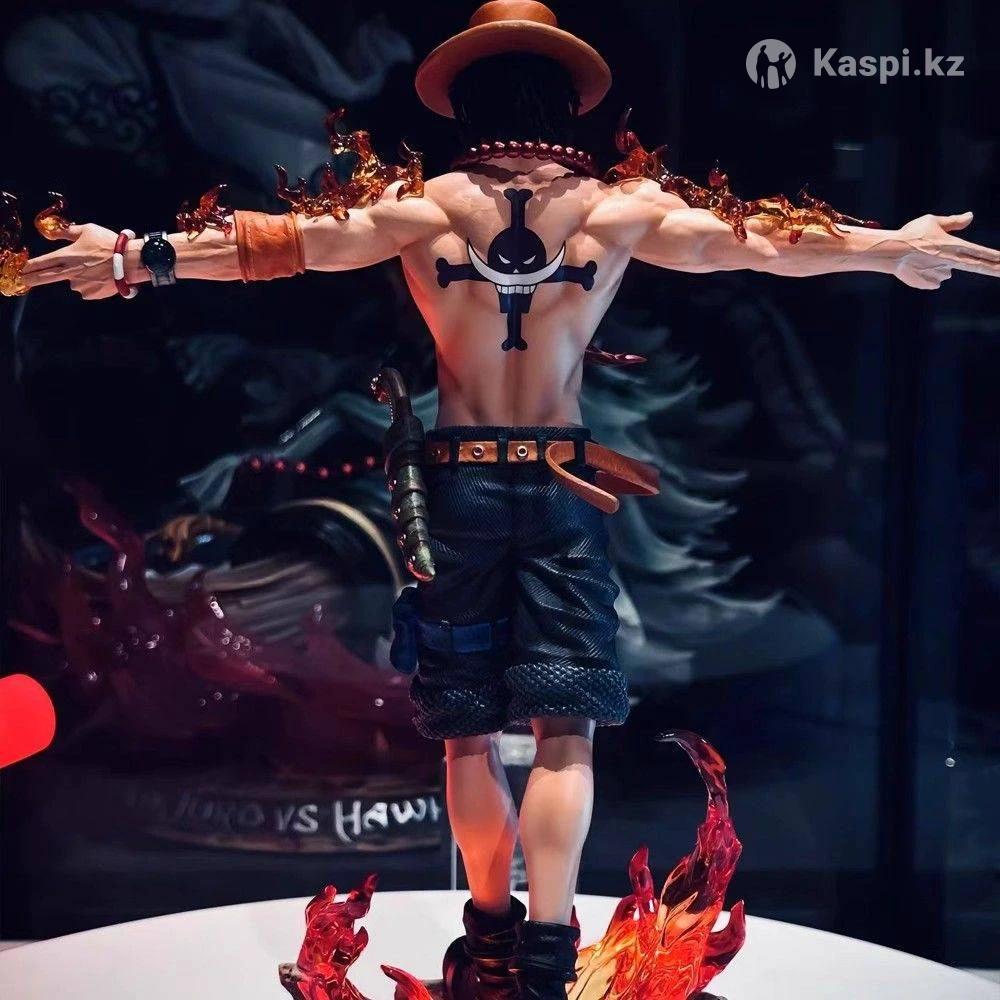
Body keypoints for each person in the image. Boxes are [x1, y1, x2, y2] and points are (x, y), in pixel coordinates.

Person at [18, 3, 1000, 998]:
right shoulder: (614, 210)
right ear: (566, 105)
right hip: (561, 486)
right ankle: (543, 957)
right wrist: (888, 244)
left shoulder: (424, 207)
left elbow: (279, 245)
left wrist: (131, 255)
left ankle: (489, 950)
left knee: (469, 734)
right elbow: (752, 242)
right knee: (564, 734)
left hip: (461, 488)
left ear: (465, 102)